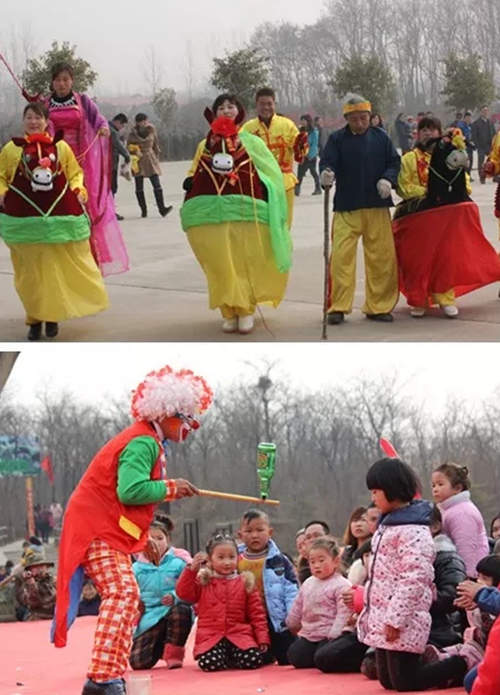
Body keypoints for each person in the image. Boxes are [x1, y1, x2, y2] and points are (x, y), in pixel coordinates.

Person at [51, 365, 213, 695]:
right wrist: (170, 488)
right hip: (96, 529)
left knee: (125, 594)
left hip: (104, 528)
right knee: (123, 593)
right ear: (167, 413)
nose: (190, 428)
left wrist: (139, 541)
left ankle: (106, 676)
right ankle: (102, 678)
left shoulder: (146, 439)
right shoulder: (143, 442)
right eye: (187, 419)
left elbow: (124, 500)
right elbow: (130, 492)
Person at [181, 93, 291, 335]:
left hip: (246, 211)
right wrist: (190, 180)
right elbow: (195, 169)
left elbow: (270, 171)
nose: (226, 110)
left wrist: (263, 186)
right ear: (214, 113)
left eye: (231, 106)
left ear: (239, 111)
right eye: (221, 107)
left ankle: (246, 308)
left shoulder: (251, 142)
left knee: (244, 260)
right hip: (211, 214)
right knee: (219, 261)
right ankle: (228, 310)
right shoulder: (205, 144)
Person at [0, 102, 109, 341]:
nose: (33, 121)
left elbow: (74, 173)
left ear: (46, 121)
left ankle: (51, 317)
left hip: (58, 221)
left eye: (37, 117)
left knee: (54, 271)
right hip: (24, 223)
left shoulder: (60, 147)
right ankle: (34, 318)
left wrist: (79, 190)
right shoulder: (11, 149)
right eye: (28, 117)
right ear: (23, 121)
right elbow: (2, 176)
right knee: (29, 273)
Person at [357, 457, 469, 691]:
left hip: (404, 617)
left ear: (391, 490)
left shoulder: (414, 530)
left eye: (375, 491)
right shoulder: (387, 525)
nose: (373, 498)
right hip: (382, 614)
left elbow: (414, 578)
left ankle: (460, 662)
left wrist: (396, 618)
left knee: (406, 682)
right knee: (387, 681)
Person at [40, 62, 129, 277]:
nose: (62, 84)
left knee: (84, 207)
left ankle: (89, 258)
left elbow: (98, 120)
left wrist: (104, 128)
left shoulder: (83, 101)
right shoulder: (45, 103)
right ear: (52, 82)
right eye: (58, 79)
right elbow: (40, 124)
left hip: (81, 160)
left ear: (72, 80)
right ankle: (61, 257)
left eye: (66, 79)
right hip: (55, 161)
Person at [320, 93, 401, 325]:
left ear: (370, 116)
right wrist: (326, 174)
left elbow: (394, 163)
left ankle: (378, 306)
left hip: (377, 205)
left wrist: (388, 179)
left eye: (363, 117)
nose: (360, 122)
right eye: (354, 118)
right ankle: (338, 306)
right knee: (341, 259)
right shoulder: (337, 139)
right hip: (347, 206)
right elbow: (328, 161)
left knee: (381, 257)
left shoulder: (381, 138)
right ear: (347, 118)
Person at [396, 116, 470, 319]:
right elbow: (403, 187)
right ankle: (418, 300)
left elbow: (465, 184)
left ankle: (446, 299)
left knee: (444, 258)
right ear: (417, 134)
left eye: (432, 129)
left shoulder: (450, 155)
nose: (427, 133)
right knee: (417, 260)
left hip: (444, 217)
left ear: (440, 133)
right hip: (418, 217)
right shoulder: (409, 158)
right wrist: (429, 192)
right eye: (423, 130)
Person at [175, 535, 270, 671]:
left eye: (231, 557)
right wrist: (191, 570)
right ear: (209, 559)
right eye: (220, 557)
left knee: (253, 660)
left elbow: (257, 614)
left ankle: (231, 657)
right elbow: (183, 593)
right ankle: (225, 657)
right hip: (211, 637)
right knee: (209, 663)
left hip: (240, 636)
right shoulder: (203, 580)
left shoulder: (245, 582)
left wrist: (262, 639)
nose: (227, 562)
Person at [129, 513, 193, 670]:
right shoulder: (136, 568)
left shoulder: (179, 563)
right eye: (150, 539)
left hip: (173, 612)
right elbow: (131, 594)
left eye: (160, 538)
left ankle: (174, 653)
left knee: (182, 610)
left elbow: (190, 588)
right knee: (138, 663)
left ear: (168, 540)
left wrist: (175, 596)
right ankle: (160, 645)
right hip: (149, 617)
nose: (155, 543)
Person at [241, 87, 309, 229]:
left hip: (284, 182)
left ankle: (283, 250)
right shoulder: (248, 128)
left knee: (284, 223)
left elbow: (300, 152)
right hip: (258, 183)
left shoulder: (287, 124)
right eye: (262, 104)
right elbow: (240, 154)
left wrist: (300, 145)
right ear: (256, 105)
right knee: (261, 224)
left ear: (274, 104)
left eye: (269, 103)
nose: (266, 107)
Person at [237, 509, 298, 665]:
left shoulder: (279, 560)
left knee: (290, 658)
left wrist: (292, 616)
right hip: (250, 621)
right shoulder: (235, 561)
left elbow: (291, 589)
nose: (254, 535)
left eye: (260, 530)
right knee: (257, 659)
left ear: (270, 532)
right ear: (240, 535)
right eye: (249, 531)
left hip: (277, 619)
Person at [286, 537, 352, 669]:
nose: (316, 565)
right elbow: (298, 605)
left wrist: (335, 635)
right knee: (294, 656)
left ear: (336, 561)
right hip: (309, 634)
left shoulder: (342, 585)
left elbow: (343, 613)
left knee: (324, 657)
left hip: (329, 636)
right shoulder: (308, 583)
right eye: (312, 562)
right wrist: (292, 622)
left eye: (321, 561)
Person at [431, 463, 489, 578]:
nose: (435, 489)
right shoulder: (445, 509)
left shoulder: (463, 512)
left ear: (457, 488)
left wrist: (466, 578)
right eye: (433, 485)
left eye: (440, 484)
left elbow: (466, 549)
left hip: (470, 576)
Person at [428, 505, 467, 647]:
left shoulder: (448, 558)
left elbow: (452, 597)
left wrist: (418, 598)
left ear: (435, 526)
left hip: (442, 631)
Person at [127, 113, 172, 218]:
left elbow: (156, 144)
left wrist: (156, 157)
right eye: (142, 121)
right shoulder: (132, 134)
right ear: (138, 123)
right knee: (139, 187)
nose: (145, 123)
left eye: (146, 120)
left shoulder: (151, 130)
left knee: (157, 185)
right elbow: (129, 147)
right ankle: (144, 210)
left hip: (150, 158)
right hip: (138, 160)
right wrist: (134, 152)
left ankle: (162, 208)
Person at [15, 552, 56, 621]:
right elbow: (33, 603)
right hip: (37, 619)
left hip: (55, 617)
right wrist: (32, 584)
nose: (40, 569)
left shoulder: (53, 580)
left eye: (42, 566)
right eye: (36, 567)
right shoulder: (26, 585)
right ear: (30, 569)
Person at [108, 114, 131, 221]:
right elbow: (117, 145)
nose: (122, 128)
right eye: (122, 125)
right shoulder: (112, 131)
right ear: (118, 122)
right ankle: (111, 212)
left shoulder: (105, 127)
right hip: (109, 163)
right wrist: (127, 156)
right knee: (111, 187)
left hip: (105, 162)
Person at [297, 520, 330, 584]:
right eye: (308, 537)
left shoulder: (340, 559)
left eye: (316, 536)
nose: (312, 540)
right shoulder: (302, 568)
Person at [295, 114, 321, 196]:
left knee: (313, 171)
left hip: (310, 156)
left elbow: (314, 144)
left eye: (304, 120)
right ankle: (297, 188)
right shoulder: (300, 131)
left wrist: (311, 155)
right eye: (301, 120)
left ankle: (318, 188)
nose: (302, 122)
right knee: (300, 172)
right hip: (302, 155)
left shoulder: (314, 131)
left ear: (308, 121)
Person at [472, 106, 496, 184]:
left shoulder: (490, 122)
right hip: (480, 146)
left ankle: (495, 176)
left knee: (494, 160)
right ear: (480, 112)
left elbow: (494, 134)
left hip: (489, 146)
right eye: (483, 111)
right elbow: (474, 136)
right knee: (481, 162)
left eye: (486, 111)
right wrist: (477, 145)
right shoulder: (476, 123)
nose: (485, 112)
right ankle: (482, 177)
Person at [458, 111, 475, 179]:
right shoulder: (461, 126)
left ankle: (468, 175)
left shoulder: (470, 126)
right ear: (464, 118)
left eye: (470, 118)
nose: (469, 119)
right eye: (467, 117)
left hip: (469, 145)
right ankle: (464, 176)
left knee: (470, 160)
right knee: (464, 161)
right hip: (463, 146)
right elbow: (461, 137)